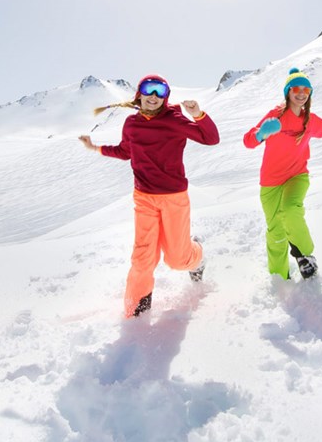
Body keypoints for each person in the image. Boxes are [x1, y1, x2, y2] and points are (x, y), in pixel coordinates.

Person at [80, 75, 219, 317]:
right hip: (143, 198)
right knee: (142, 257)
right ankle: (136, 313)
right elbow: (125, 151)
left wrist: (198, 114)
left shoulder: (175, 120)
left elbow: (210, 138)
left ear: (165, 98)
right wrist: (97, 148)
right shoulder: (131, 124)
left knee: (177, 260)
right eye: (148, 89)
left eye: (160, 91)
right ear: (139, 94)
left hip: (174, 196)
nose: (153, 96)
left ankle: (196, 254)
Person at [242, 68, 322, 280]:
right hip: (270, 182)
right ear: (288, 91)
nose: (301, 93)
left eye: (306, 89)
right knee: (275, 231)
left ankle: (304, 254)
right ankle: (278, 278)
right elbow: (248, 141)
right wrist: (261, 134)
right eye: (296, 88)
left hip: (297, 176)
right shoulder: (275, 115)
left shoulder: (309, 121)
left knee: (291, 210)